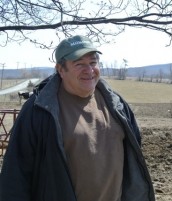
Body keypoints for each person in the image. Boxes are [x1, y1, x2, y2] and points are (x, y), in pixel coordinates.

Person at [0, 35, 155, 201]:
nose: (89, 70)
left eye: (93, 63)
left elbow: (133, 162)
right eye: (79, 64)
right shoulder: (39, 109)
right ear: (61, 69)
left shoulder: (117, 105)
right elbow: (16, 174)